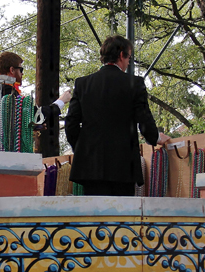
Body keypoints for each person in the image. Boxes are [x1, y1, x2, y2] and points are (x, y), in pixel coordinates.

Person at [64, 35, 170, 196]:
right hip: (123, 167)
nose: (128, 62)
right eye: (129, 57)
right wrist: (155, 137)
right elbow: (144, 120)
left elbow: (71, 124)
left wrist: (83, 150)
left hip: (91, 167)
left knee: (96, 216)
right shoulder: (135, 83)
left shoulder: (82, 83)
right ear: (121, 55)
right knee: (121, 217)